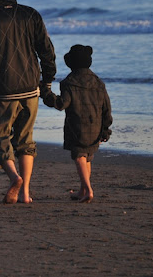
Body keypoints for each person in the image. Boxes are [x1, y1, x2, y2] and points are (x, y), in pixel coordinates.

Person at [0, 0, 57, 204]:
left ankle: (14, 178)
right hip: (31, 87)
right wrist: (46, 80)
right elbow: (47, 51)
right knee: (26, 141)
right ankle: (26, 193)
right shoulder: (31, 14)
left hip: (2, 89)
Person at [41, 45, 113, 203]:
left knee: (79, 155)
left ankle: (88, 189)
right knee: (87, 157)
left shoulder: (69, 83)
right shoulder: (98, 83)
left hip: (77, 126)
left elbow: (61, 104)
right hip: (96, 126)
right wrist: (106, 129)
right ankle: (83, 189)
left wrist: (46, 93)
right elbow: (106, 108)